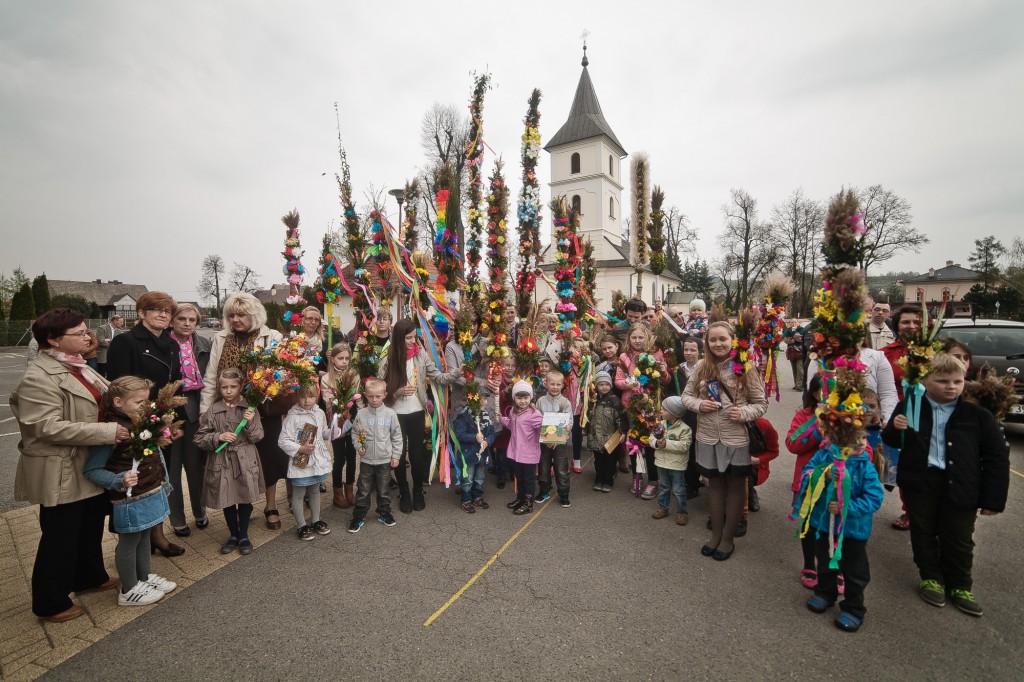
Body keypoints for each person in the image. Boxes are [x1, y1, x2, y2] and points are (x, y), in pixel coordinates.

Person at [10, 308, 126, 623]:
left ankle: (88, 576)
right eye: (78, 333)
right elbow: (45, 426)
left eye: (86, 330)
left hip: (86, 462)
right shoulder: (39, 376)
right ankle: (50, 601)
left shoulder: (78, 367)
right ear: (52, 339)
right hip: (60, 468)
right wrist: (108, 431)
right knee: (60, 534)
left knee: (89, 523)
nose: (87, 337)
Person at [882, 353, 1009, 617]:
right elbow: (891, 441)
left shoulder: (977, 416)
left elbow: (996, 458)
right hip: (922, 483)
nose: (951, 387)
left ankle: (961, 584)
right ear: (925, 381)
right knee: (924, 531)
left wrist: (992, 499)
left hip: (962, 485)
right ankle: (930, 576)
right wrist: (895, 427)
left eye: (958, 381)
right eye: (942, 381)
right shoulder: (911, 406)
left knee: (960, 537)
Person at [83, 377, 178, 607]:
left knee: (145, 535)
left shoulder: (143, 423)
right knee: (130, 540)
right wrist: (119, 479)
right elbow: (92, 470)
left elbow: (156, 454)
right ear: (117, 401)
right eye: (139, 402)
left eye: (147, 402)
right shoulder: (112, 432)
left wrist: (163, 482)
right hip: (128, 498)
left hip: (148, 489)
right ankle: (128, 588)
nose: (145, 407)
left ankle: (143, 577)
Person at [106, 291, 184, 558]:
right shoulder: (125, 342)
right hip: (135, 423)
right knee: (136, 481)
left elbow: (175, 384)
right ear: (141, 313)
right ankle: (134, 539)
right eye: (156, 310)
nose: (163, 315)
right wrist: (138, 422)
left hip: (161, 421)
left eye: (167, 311)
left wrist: (170, 420)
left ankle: (157, 535)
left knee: (159, 479)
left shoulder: (171, 344)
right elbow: (118, 388)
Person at [681, 321, 768, 561]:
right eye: (713, 340)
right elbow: (686, 397)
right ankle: (716, 534)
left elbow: (761, 403)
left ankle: (728, 539)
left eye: (723, 339)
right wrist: (700, 405)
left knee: (736, 486)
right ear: (707, 343)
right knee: (715, 486)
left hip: (735, 438)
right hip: (707, 436)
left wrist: (744, 413)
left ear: (732, 340)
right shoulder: (701, 366)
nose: (718, 344)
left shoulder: (745, 367)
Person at [200, 293, 286, 531]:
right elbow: (211, 375)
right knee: (235, 461)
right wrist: (205, 410)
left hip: (262, 410)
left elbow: (281, 372)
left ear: (254, 315)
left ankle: (270, 506)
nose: (236, 319)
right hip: (229, 411)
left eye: (241, 314)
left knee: (268, 460)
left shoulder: (272, 336)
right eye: (232, 315)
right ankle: (239, 507)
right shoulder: (221, 338)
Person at [801, 423, 884, 633]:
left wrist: (847, 507)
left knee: (855, 571)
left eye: (858, 440)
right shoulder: (824, 457)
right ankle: (825, 593)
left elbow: (875, 498)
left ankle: (854, 607)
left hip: (853, 531)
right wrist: (824, 474)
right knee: (826, 562)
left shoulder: (864, 467)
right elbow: (806, 475)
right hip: (824, 525)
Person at [379, 319, 458, 513]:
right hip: (395, 414)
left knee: (416, 455)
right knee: (398, 454)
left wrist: (457, 373)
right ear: (398, 338)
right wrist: (398, 391)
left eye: (414, 337)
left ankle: (416, 490)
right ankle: (404, 491)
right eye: (408, 338)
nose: (413, 341)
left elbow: (438, 377)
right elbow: (379, 387)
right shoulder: (388, 358)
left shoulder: (420, 354)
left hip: (416, 413)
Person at [194, 368, 265, 555]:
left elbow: (258, 436)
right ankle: (233, 534)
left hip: (245, 459)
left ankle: (243, 535)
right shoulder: (213, 409)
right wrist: (219, 436)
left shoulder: (250, 408)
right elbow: (199, 438)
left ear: (241, 386)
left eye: (233, 386)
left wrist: (249, 424)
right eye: (224, 386)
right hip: (222, 460)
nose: (228, 390)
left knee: (244, 496)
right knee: (227, 498)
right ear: (219, 387)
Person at [166, 303, 212, 537]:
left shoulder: (204, 344)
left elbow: (211, 379)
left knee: (195, 467)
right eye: (182, 319)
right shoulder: (164, 345)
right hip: (170, 415)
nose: (187, 323)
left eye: (191, 320)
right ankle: (177, 518)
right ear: (172, 321)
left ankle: (199, 511)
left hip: (195, 412)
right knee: (173, 470)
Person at [615, 324, 671, 499]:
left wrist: (663, 373)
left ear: (647, 338)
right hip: (631, 406)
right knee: (635, 442)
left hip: (651, 407)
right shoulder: (624, 357)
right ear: (629, 339)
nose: (637, 341)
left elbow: (667, 380)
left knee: (652, 443)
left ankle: (653, 480)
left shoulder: (657, 355)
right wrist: (632, 384)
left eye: (641, 337)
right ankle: (637, 476)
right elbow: (618, 381)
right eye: (634, 338)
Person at [880, 304, 923, 530]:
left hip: (928, 416)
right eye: (906, 322)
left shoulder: (934, 351)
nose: (912, 326)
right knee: (905, 464)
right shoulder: (887, 353)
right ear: (897, 325)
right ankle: (909, 511)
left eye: (917, 321)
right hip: (899, 415)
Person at [348, 378, 403, 533]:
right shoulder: (361, 414)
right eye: (370, 396)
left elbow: (397, 436)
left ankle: (384, 513)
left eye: (377, 396)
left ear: (384, 395)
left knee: (383, 489)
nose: (374, 399)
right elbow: (356, 433)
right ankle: (358, 516)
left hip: (385, 459)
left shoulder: (391, 414)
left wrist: (396, 455)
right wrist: (359, 446)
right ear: (365, 394)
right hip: (366, 460)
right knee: (363, 489)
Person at [279, 384, 333, 540]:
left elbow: (323, 433)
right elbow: (283, 440)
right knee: (299, 494)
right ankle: (301, 525)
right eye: (302, 397)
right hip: (301, 461)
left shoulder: (319, 412)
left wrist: (334, 430)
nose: (307, 400)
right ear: (297, 397)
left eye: (310, 396)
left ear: (316, 396)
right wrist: (300, 448)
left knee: (315, 491)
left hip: (316, 461)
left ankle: (316, 520)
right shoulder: (292, 417)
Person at [786, 375, 824, 589]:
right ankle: (809, 563)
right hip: (809, 481)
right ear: (814, 393)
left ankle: (835, 566)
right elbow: (792, 443)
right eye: (823, 389)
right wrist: (817, 430)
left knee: (837, 526)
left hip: (838, 483)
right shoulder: (805, 416)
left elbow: (863, 448)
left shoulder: (850, 416)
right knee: (809, 524)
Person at [321, 342, 358, 509]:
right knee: (339, 458)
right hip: (336, 421)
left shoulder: (353, 375)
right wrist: (339, 413)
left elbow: (357, 398)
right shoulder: (326, 378)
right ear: (333, 359)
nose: (344, 361)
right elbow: (328, 401)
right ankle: (337, 493)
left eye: (347, 358)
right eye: (340, 358)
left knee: (352, 457)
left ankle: (350, 489)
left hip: (352, 420)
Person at [503, 380, 544, 515]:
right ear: (514, 398)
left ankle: (528, 503)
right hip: (516, 452)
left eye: (526, 398)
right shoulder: (513, 412)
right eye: (519, 398)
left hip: (529, 453)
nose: (523, 401)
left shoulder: (535, 414)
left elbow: (544, 428)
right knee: (519, 477)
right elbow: (511, 426)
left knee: (529, 479)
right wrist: (502, 420)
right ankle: (520, 498)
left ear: (531, 397)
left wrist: (559, 429)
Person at [652, 397, 693, 525]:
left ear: (674, 413)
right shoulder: (659, 425)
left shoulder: (685, 429)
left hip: (677, 465)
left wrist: (666, 444)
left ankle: (682, 511)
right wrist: (657, 443)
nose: (661, 411)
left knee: (679, 490)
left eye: (664, 409)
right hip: (661, 463)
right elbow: (651, 439)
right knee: (664, 487)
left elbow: (684, 446)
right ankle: (663, 507)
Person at [453, 399, 497, 513]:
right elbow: (459, 434)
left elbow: (492, 433)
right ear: (472, 400)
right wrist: (474, 437)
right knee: (468, 478)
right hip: (469, 454)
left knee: (480, 476)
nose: (485, 402)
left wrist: (487, 442)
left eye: (486, 399)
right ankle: (466, 500)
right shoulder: (463, 416)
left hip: (482, 454)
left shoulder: (486, 416)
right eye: (481, 399)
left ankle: (477, 497)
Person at [536, 369, 573, 508]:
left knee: (561, 468)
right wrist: (546, 436)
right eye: (552, 384)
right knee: (543, 467)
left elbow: (569, 422)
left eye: (558, 384)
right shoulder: (540, 401)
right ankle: (544, 491)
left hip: (560, 442)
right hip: (544, 441)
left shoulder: (565, 402)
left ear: (563, 385)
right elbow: (537, 419)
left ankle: (564, 494)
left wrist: (564, 431)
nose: (555, 387)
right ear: (546, 384)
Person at [587, 370, 626, 492]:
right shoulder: (593, 401)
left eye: (607, 384)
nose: (604, 387)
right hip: (596, 437)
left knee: (610, 461)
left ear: (610, 385)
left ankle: (608, 481)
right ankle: (599, 480)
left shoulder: (615, 401)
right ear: (596, 386)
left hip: (610, 437)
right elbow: (588, 417)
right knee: (598, 461)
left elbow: (621, 417)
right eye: (601, 384)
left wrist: (623, 432)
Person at [783, 320, 805, 391]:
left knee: (800, 368)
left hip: (799, 351)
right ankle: (796, 384)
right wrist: (794, 337)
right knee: (794, 368)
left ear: (798, 323)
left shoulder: (802, 329)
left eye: (795, 322)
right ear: (789, 323)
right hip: (791, 351)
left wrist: (793, 334)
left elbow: (799, 338)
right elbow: (786, 339)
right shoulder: (788, 330)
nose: (794, 323)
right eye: (792, 322)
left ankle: (800, 385)